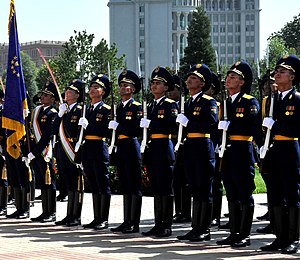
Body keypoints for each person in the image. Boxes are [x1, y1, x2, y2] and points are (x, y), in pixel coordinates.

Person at [216, 61, 260, 247]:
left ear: (242, 82)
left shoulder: (250, 101)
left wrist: (230, 126)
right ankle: (234, 232)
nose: (228, 79)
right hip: (228, 152)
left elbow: (252, 126)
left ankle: (245, 234)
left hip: (242, 151)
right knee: (232, 193)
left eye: (233, 77)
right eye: (228, 76)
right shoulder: (225, 103)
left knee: (244, 193)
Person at [259, 54, 300, 254]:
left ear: (292, 76)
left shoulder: (297, 99)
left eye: (282, 72)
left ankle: (293, 238)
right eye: (276, 72)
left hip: (290, 149)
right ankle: (280, 237)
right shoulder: (271, 100)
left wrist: (277, 126)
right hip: (273, 150)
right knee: (275, 193)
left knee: (291, 194)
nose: (277, 75)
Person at [176, 64, 218, 242]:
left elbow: (210, 125)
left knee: (204, 189)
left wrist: (188, 123)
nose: (189, 80)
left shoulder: (208, 101)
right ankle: (195, 227)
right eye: (189, 77)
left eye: (194, 78)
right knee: (194, 188)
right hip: (190, 147)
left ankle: (204, 229)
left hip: (202, 146)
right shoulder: (188, 102)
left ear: (202, 83)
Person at [140, 66, 178, 237]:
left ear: (166, 87)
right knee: (156, 189)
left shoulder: (171, 105)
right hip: (152, 149)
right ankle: (158, 223)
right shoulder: (149, 105)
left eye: (158, 83)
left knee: (165, 189)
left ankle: (166, 225)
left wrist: (151, 125)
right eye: (153, 83)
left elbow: (172, 126)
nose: (154, 86)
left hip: (164, 148)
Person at [109, 69, 143, 233]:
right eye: (121, 85)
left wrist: (119, 127)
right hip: (121, 147)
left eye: (126, 85)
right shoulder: (118, 108)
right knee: (125, 185)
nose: (123, 88)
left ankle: (134, 222)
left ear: (134, 89)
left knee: (134, 185)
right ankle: (126, 220)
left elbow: (136, 129)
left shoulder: (136, 107)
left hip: (131, 146)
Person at [78, 74, 111, 230]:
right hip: (88, 148)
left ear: (103, 92)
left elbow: (106, 131)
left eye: (96, 88)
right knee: (93, 184)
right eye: (91, 88)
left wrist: (88, 126)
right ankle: (96, 217)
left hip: (99, 146)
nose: (92, 90)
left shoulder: (106, 110)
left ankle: (103, 218)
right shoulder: (87, 109)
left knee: (102, 183)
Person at [54, 79, 85, 227]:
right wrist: (60, 115)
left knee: (76, 183)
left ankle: (76, 216)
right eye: (67, 91)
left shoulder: (80, 110)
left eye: (70, 91)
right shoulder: (64, 111)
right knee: (68, 183)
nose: (67, 93)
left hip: (74, 149)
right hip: (62, 150)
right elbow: (54, 130)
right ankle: (69, 215)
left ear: (77, 95)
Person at [27, 81, 58, 222]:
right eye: (42, 95)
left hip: (46, 152)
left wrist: (35, 151)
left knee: (49, 182)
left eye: (46, 95)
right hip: (37, 152)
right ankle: (45, 211)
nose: (43, 97)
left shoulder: (53, 113)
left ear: (52, 99)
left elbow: (46, 136)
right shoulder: (38, 111)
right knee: (41, 181)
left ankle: (51, 212)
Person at [168, 74, 191, 223]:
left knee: (185, 181)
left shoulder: (183, 106)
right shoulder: (170, 105)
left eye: (174, 89)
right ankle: (179, 210)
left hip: (184, 145)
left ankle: (186, 211)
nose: (171, 92)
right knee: (176, 181)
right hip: (174, 144)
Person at [205, 72, 223, 227]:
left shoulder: (217, 105)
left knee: (216, 184)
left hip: (218, 147)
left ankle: (215, 214)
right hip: (209, 147)